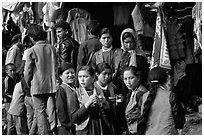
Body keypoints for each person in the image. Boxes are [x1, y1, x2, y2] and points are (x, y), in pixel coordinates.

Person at [24, 24, 57, 135]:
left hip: (37, 86)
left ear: (32, 37)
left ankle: (44, 134)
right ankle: (54, 131)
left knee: (40, 113)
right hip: (51, 85)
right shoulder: (52, 48)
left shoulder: (31, 51)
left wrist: (27, 83)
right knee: (52, 112)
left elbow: (28, 71)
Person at [137, 67, 185, 135]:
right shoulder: (170, 96)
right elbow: (179, 122)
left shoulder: (143, 97)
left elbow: (140, 119)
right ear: (166, 80)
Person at [69, 66, 111, 134]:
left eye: (85, 76)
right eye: (80, 77)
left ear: (93, 78)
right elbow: (74, 118)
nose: (82, 80)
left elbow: (109, 115)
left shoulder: (100, 91)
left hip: (99, 128)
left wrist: (105, 104)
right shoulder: (75, 94)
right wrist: (87, 104)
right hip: (84, 131)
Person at [94, 62, 117, 134]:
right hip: (100, 121)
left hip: (112, 120)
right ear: (97, 74)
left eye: (109, 74)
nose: (107, 76)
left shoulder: (113, 87)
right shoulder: (93, 88)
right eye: (104, 74)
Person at [123, 66, 147, 134]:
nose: (128, 82)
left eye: (131, 78)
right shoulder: (131, 92)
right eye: (125, 79)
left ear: (138, 78)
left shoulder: (141, 94)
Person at [56, 62, 76, 135]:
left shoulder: (74, 89)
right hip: (66, 128)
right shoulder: (61, 89)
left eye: (72, 73)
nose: (70, 75)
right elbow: (60, 109)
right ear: (61, 76)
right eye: (67, 73)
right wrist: (68, 124)